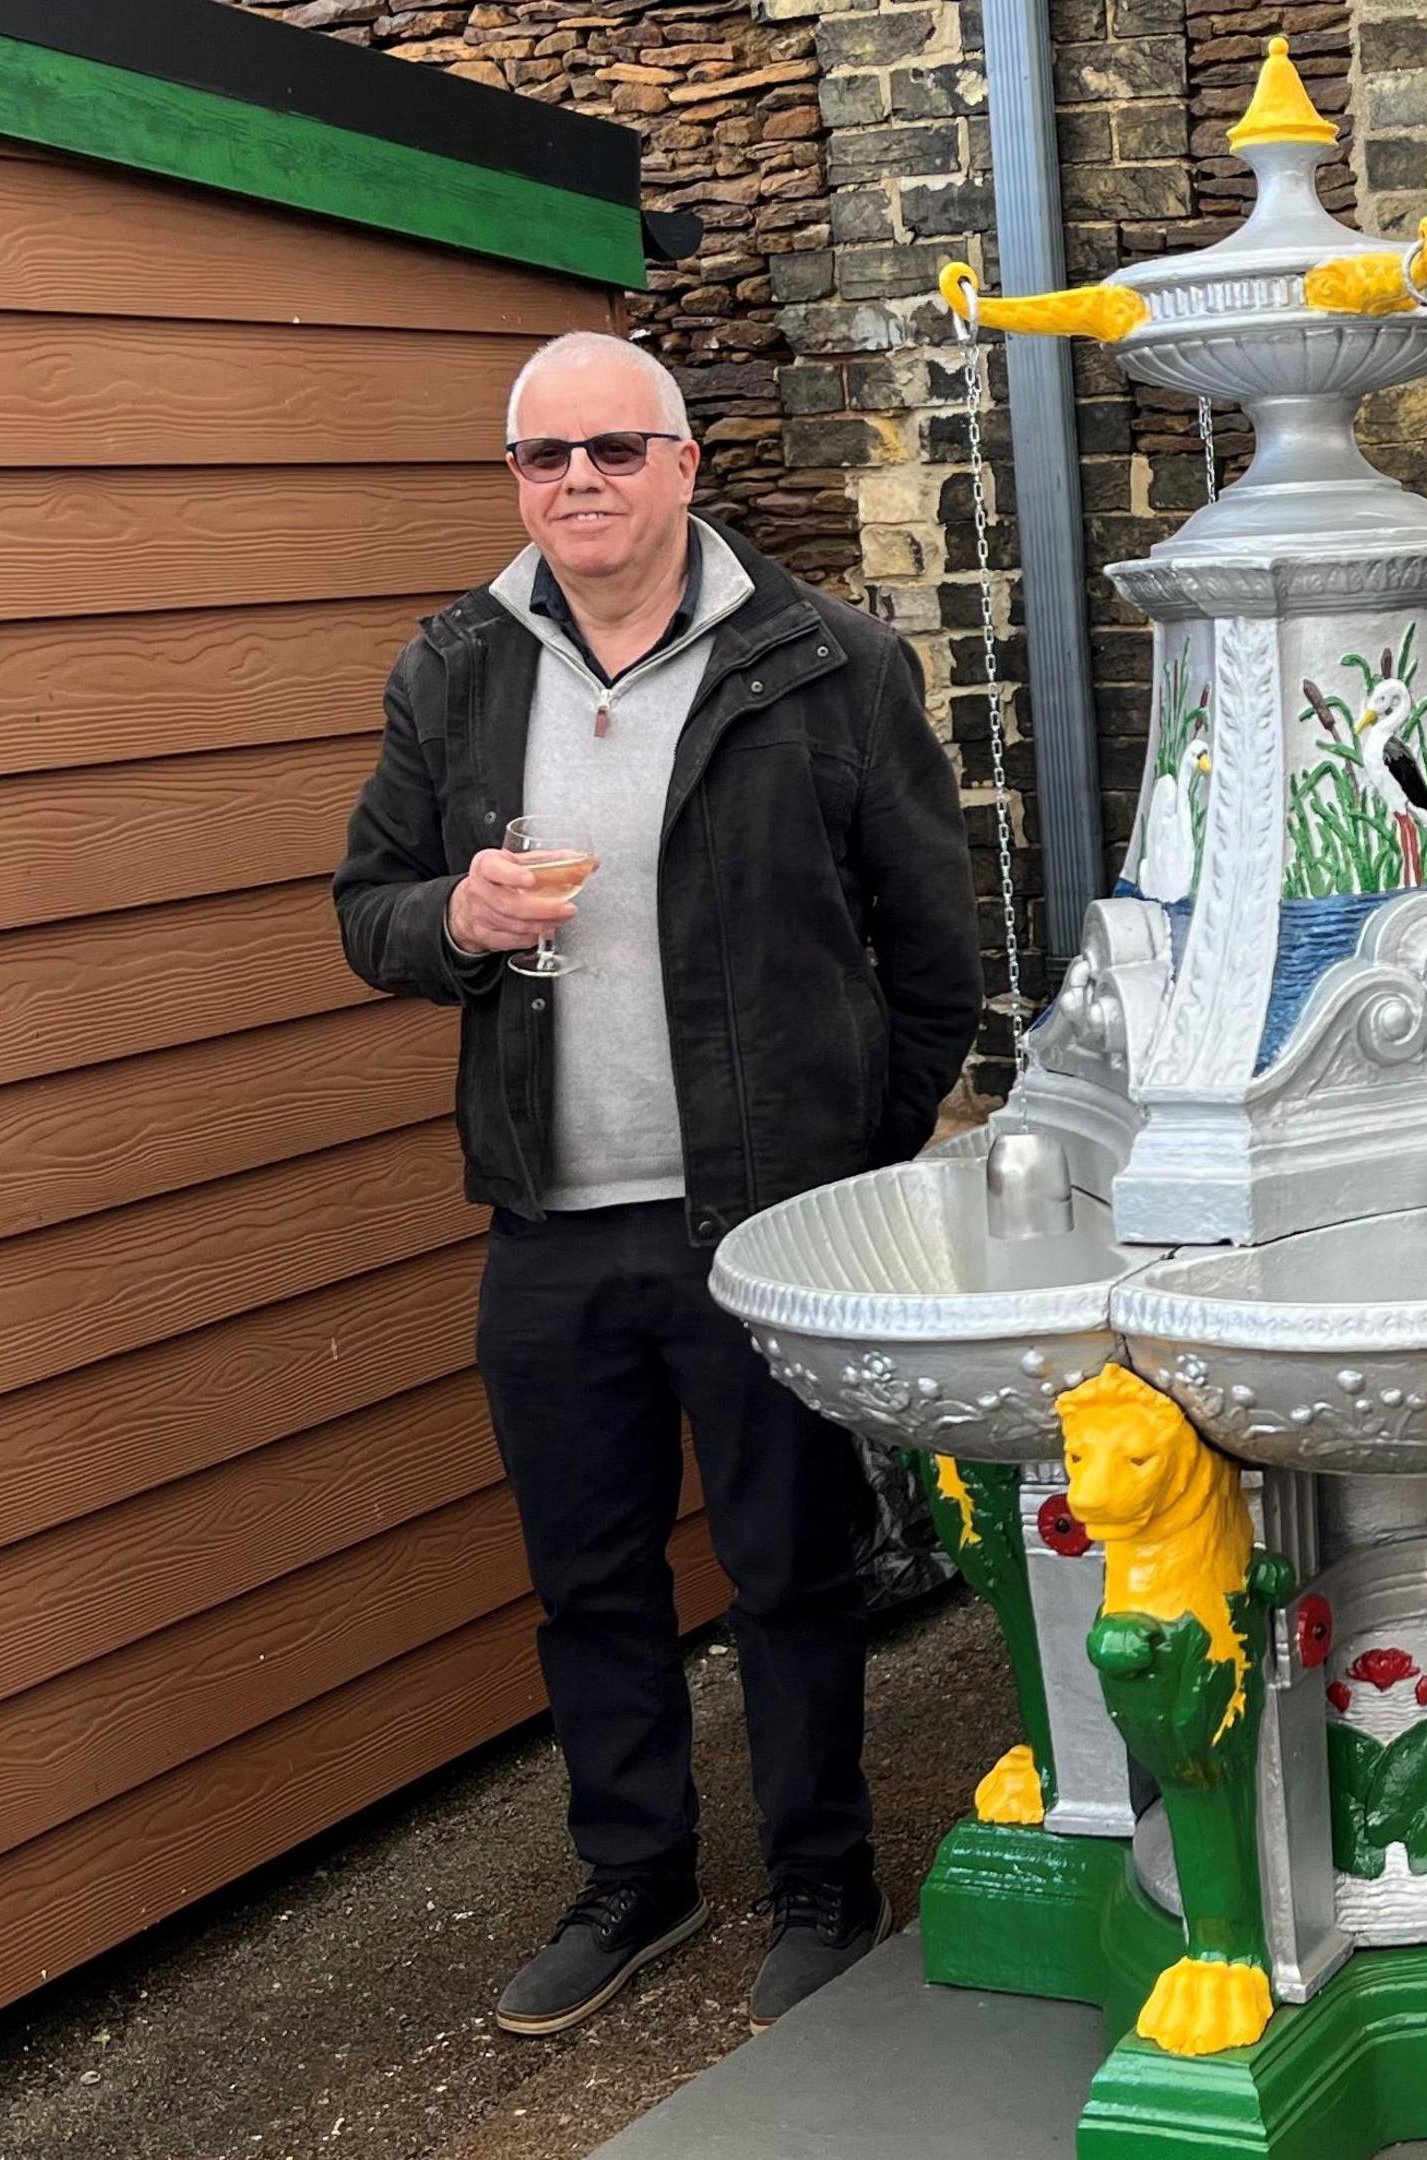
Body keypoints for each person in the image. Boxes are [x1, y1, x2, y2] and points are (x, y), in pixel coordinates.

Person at [335, 329, 980, 2035]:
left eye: (616, 450)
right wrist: (455, 925)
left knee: (794, 1566)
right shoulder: (458, 670)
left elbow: (933, 953)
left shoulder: (821, 662)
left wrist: (847, 1165)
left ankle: (822, 1878)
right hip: (548, 1217)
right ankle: (638, 1878)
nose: (580, 487)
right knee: (592, 1579)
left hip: (755, 1225)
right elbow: (367, 909)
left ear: (686, 465)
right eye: (544, 461)